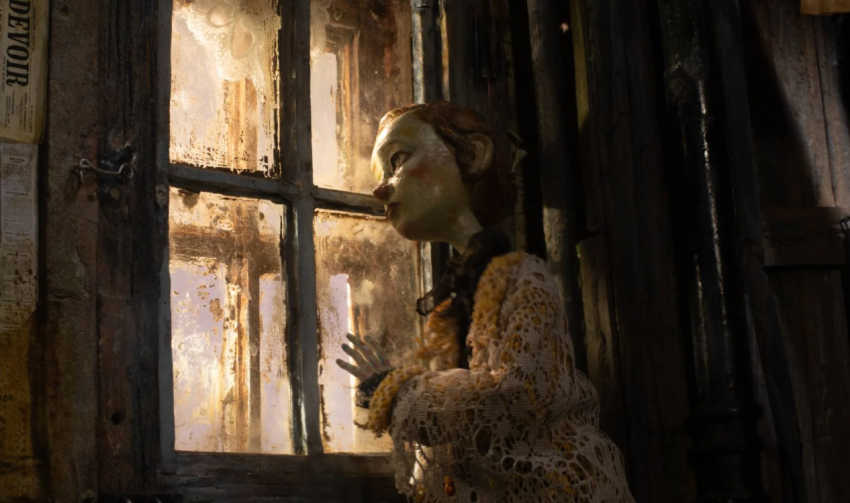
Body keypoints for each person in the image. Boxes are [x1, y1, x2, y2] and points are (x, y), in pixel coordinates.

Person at [336, 101, 634, 503]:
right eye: (381, 174)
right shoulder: (452, 304)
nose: (380, 188)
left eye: (398, 160)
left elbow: (517, 397)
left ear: (473, 155)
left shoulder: (522, 277)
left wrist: (396, 392)